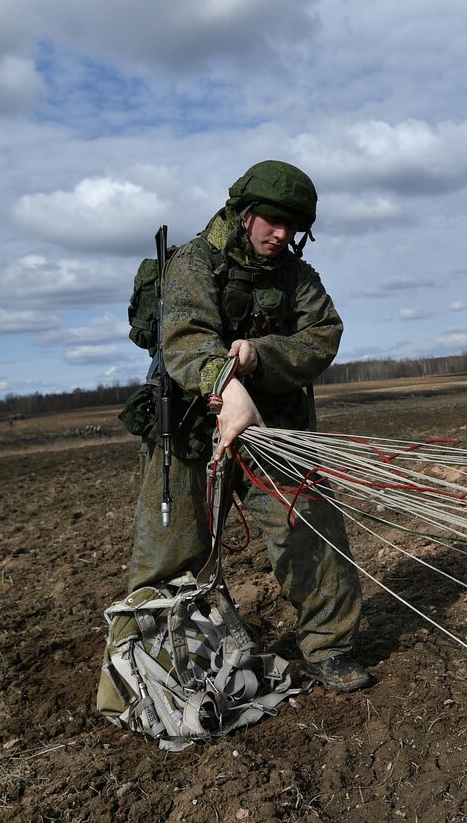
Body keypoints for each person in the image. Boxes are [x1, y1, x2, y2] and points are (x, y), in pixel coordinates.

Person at [126, 159, 372, 692]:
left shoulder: (298, 277)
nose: (281, 234)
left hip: (273, 432)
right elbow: (185, 337)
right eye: (272, 221)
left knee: (310, 532)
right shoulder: (194, 262)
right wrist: (223, 380)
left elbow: (323, 335)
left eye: (292, 227)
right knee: (172, 552)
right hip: (191, 433)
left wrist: (260, 356)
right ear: (245, 213)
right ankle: (160, 664)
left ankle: (330, 648)